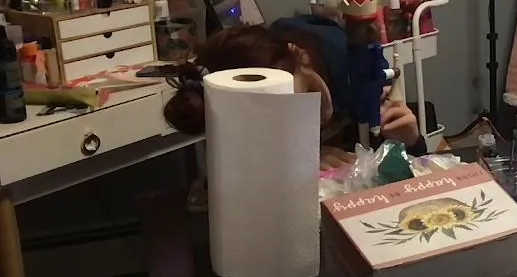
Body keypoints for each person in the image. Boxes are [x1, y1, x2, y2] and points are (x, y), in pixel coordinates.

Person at [163, 14, 427, 168]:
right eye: (281, 123)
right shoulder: (245, 112)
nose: (311, 121)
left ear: (301, 57)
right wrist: (300, 156)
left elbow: (406, 167)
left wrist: (411, 141)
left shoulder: (356, 73)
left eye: (306, 99)